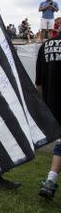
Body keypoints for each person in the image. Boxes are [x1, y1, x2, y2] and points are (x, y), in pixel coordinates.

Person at [36, 37, 61, 199]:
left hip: (52, 104)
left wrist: (41, 106)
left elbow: (39, 82)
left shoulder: (46, 46)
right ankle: (50, 180)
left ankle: (51, 180)